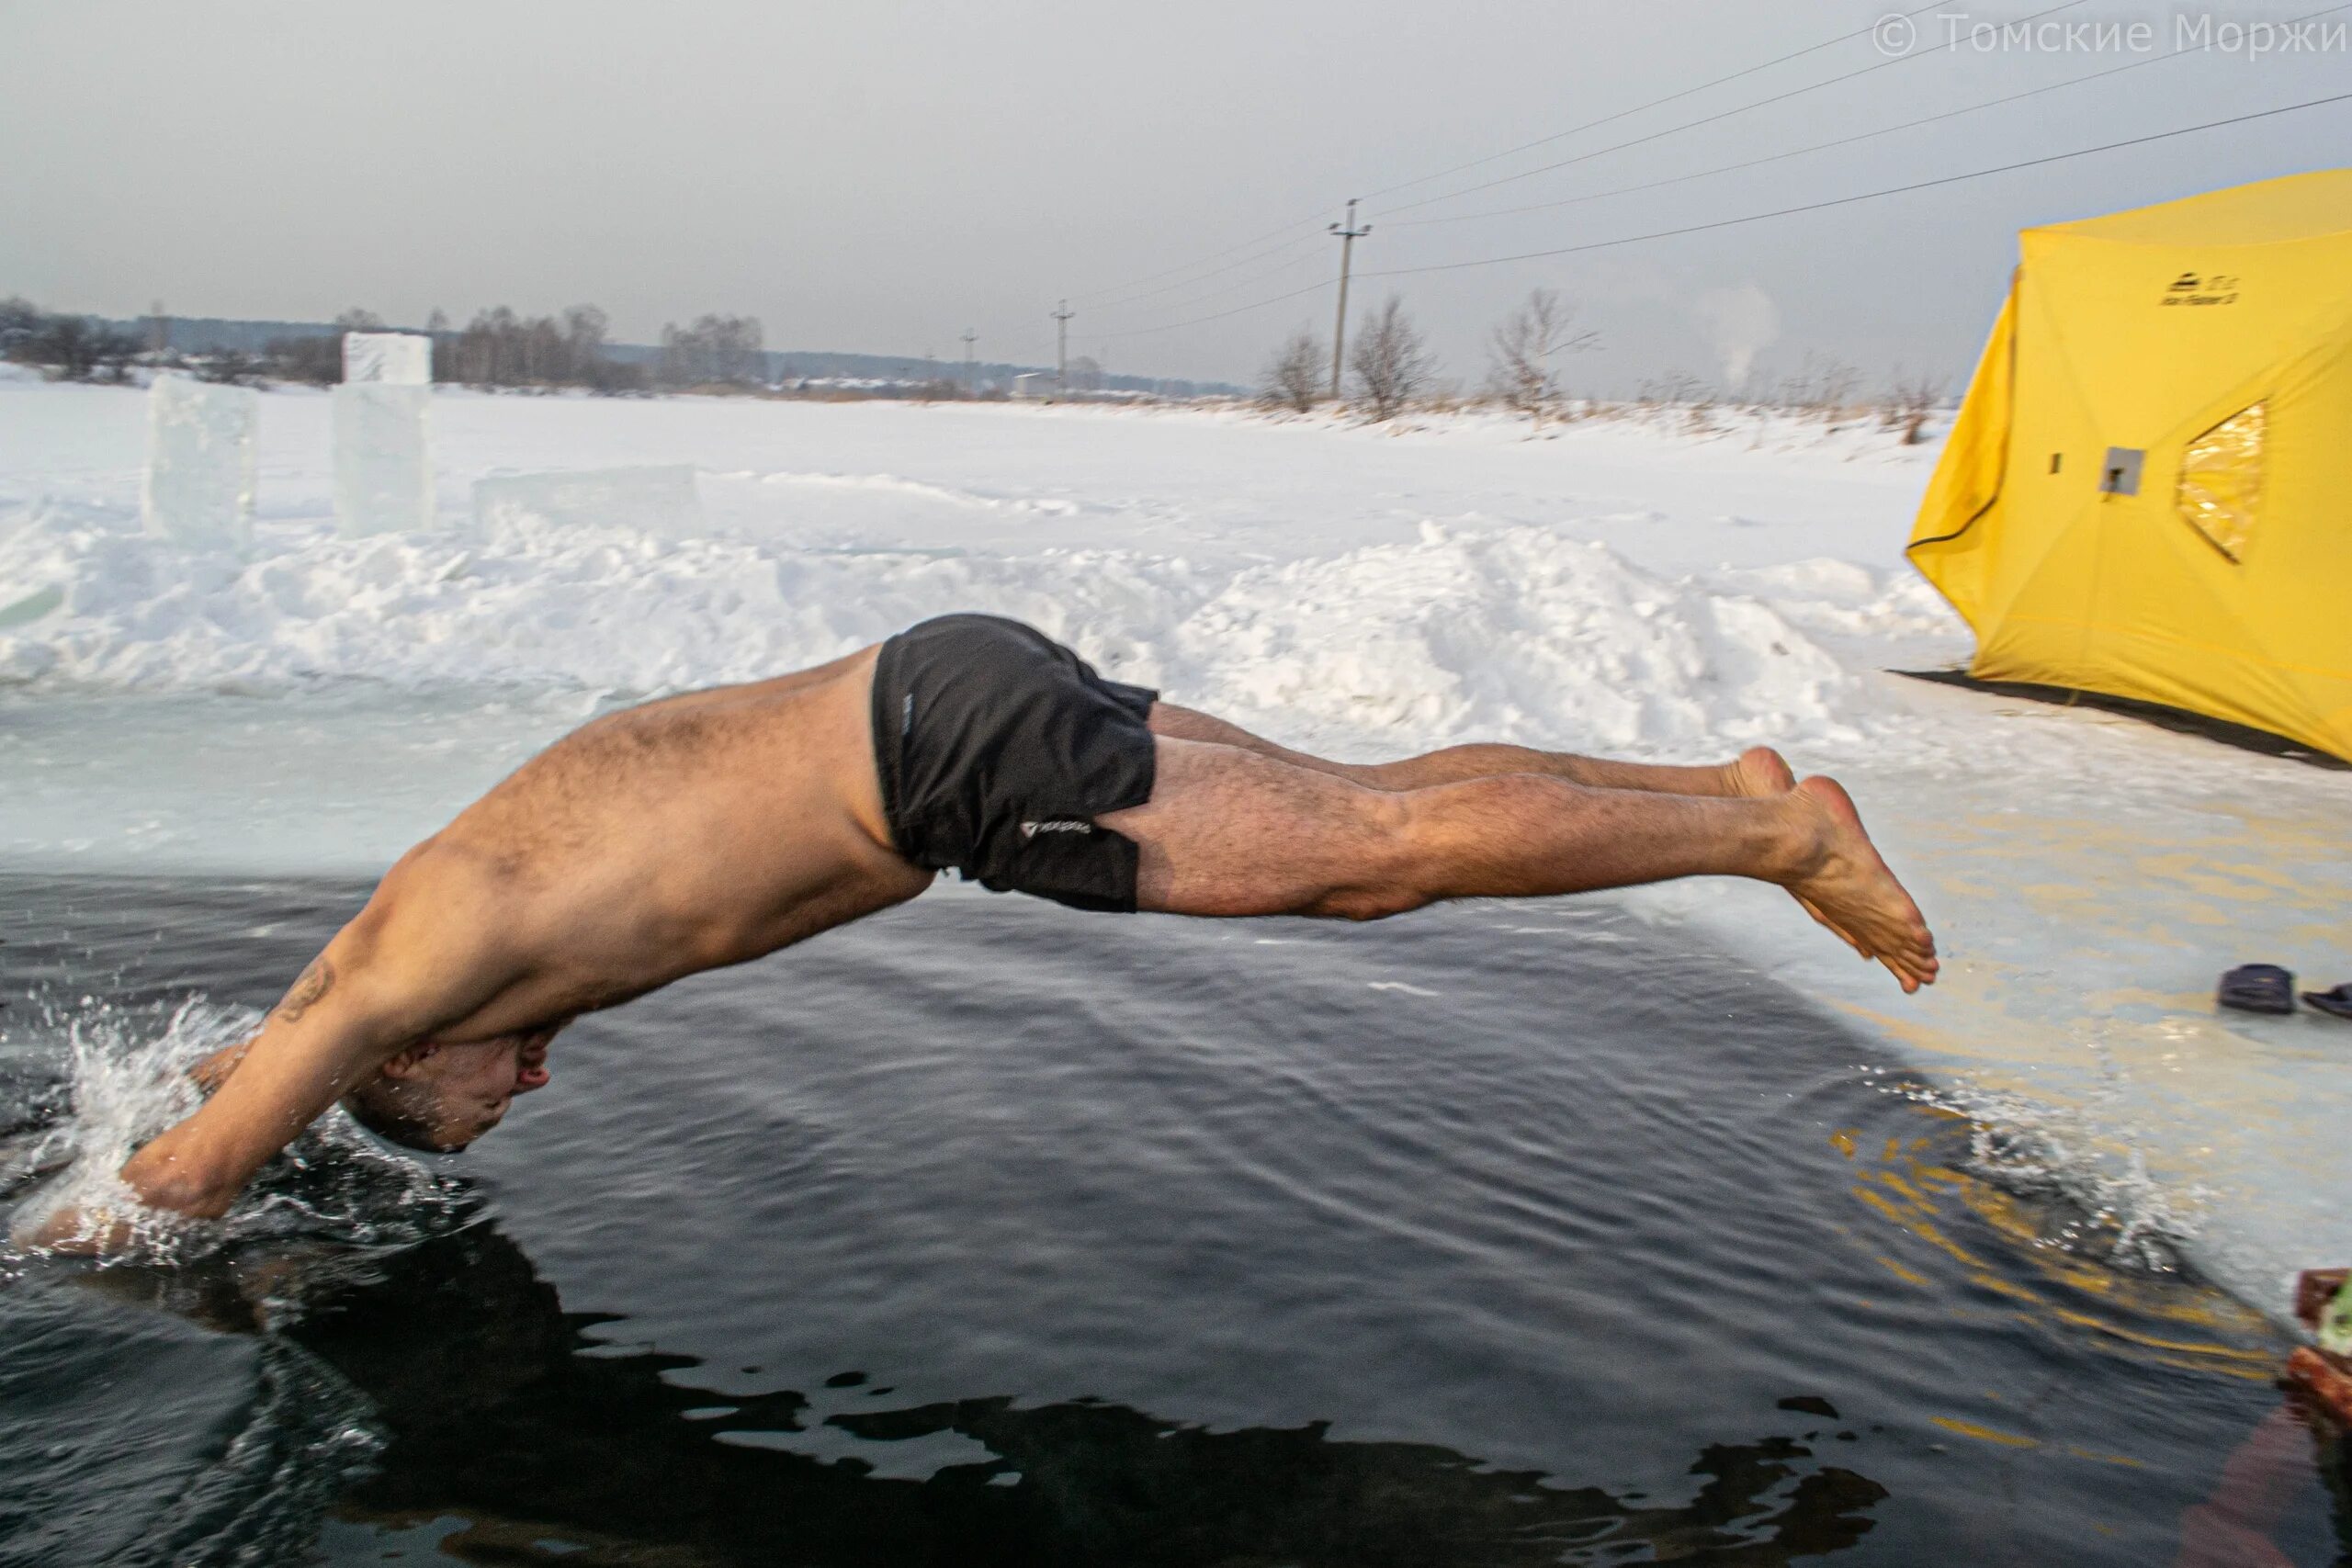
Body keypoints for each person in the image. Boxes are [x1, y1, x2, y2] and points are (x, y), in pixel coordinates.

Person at [21, 614, 1936, 1248]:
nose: (523, 1085)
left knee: (1367, 862)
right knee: (1361, 799)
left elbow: (193, 1168)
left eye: (475, 1103)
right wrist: (213, 1075)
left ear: (404, 1059)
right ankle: (1719, 781)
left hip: (939, 763)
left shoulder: (408, 979)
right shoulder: (408, 962)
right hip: (943, 686)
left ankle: (1774, 837)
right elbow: (272, 1045)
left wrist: (66, 1240)